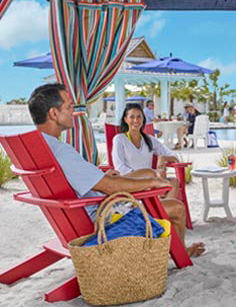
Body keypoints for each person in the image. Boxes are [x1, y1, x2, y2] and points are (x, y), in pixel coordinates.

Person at [28, 84, 205, 257]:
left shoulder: (39, 146)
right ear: (53, 113)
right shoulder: (61, 150)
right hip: (104, 222)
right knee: (176, 208)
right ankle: (182, 254)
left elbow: (90, 183)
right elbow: (110, 187)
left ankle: (168, 249)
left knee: (160, 197)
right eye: (68, 106)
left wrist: (100, 177)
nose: (73, 111)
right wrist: (153, 181)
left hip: (74, 220)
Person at [112, 103, 180, 197]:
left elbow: (175, 156)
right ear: (125, 119)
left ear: (143, 119)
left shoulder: (149, 140)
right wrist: (142, 176)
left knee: (174, 182)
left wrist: (163, 158)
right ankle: (160, 196)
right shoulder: (120, 139)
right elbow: (119, 167)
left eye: (139, 117)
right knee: (150, 172)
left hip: (150, 180)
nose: (136, 120)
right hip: (129, 180)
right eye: (132, 117)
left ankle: (162, 208)